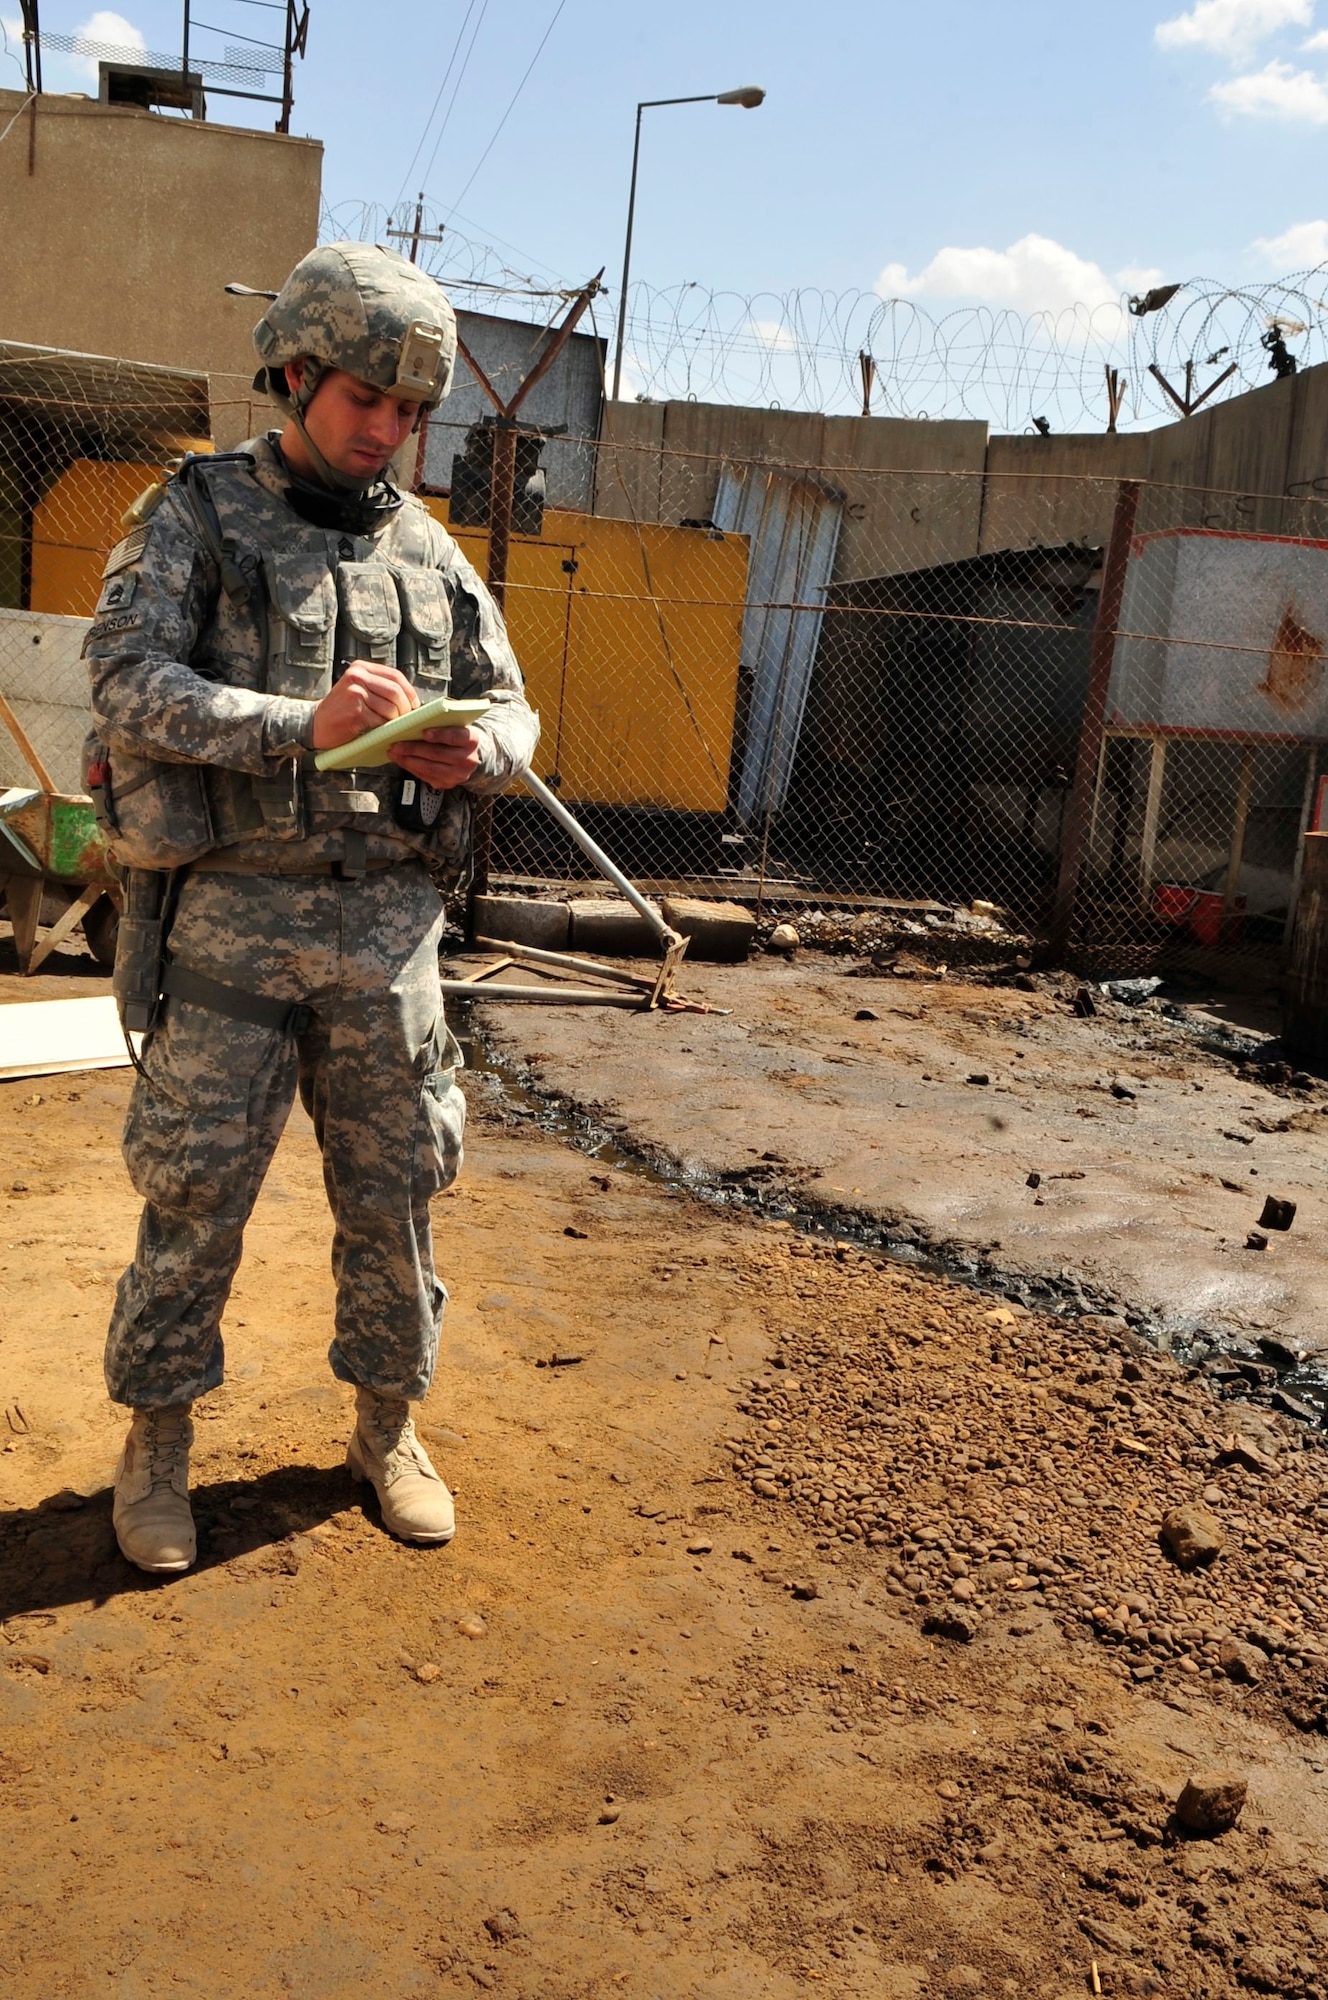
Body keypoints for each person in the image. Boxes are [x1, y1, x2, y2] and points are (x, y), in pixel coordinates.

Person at [84, 241, 538, 1574]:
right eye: (364, 401)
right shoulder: (199, 515)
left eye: (410, 411)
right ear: (296, 371)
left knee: (398, 1197)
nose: (386, 432)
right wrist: (305, 723)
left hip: (387, 933)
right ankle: (157, 1449)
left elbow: (513, 707)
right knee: (194, 1196)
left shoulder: (433, 553)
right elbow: (123, 681)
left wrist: (478, 752)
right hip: (230, 922)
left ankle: (388, 1433)